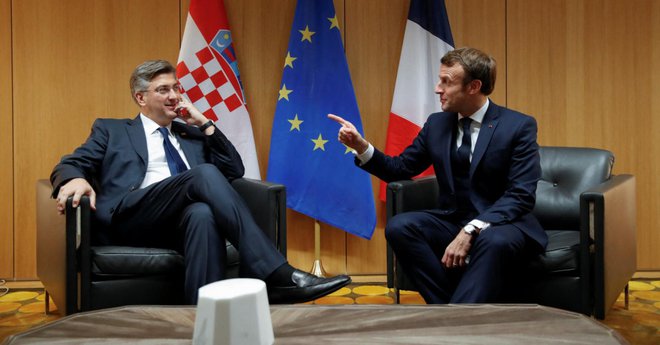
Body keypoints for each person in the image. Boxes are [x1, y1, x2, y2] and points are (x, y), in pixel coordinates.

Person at [51, 59, 350, 305]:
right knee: (205, 175)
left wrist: (205, 125)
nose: (174, 96)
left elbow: (234, 169)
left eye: (176, 88)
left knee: (202, 214)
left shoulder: (190, 135)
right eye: (163, 89)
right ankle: (276, 272)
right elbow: (71, 162)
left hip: (178, 224)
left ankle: (202, 317)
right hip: (130, 218)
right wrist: (74, 178)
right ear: (141, 98)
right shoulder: (111, 130)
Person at [328, 47, 547, 304]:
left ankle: (453, 321)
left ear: (473, 87)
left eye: (446, 82)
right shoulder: (437, 123)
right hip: (452, 218)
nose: (437, 88)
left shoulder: (517, 126)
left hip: (502, 224)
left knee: (493, 240)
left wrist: (471, 229)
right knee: (400, 227)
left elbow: (521, 195)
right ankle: (449, 311)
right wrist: (361, 146)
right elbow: (400, 169)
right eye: (439, 80)